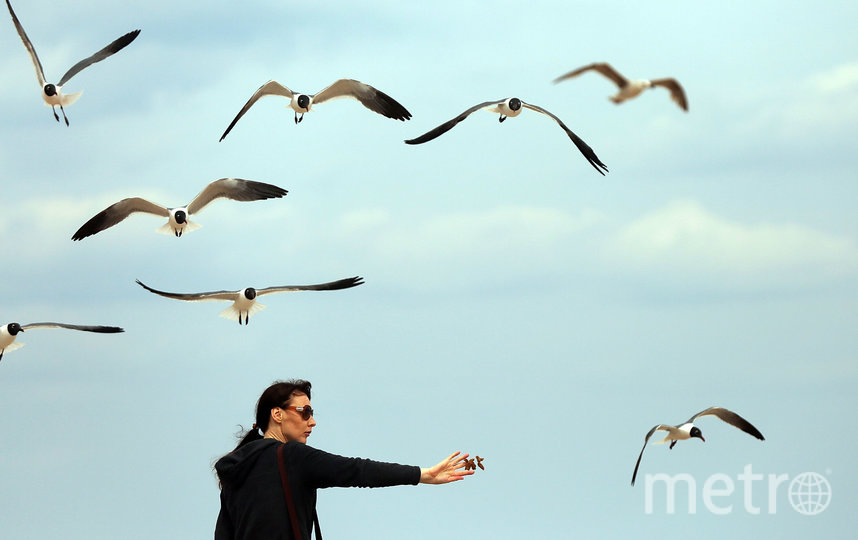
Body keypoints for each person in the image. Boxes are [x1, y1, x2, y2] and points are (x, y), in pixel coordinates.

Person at [214, 379, 473, 539]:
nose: (312, 421)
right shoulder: (292, 456)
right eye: (305, 412)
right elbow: (356, 470)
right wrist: (421, 474)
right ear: (278, 415)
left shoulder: (236, 468)